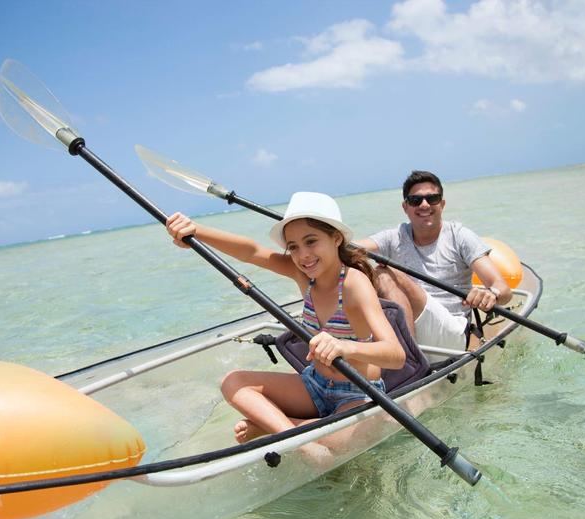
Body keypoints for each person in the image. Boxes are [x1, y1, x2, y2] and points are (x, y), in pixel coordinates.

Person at [165, 192, 405, 461]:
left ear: (336, 238)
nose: (303, 255)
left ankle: (274, 428)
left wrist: (344, 347)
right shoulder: (303, 274)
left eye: (311, 241)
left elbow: (395, 355)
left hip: (357, 392)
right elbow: (251, 252)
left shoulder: (353, 283)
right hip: (314, 383)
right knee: (232, 382)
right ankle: (303, 444)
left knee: (342, 443)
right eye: (293, 247)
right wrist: (196, 232)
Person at [356, 170, 511, 356]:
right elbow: (353, 248)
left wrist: (491, 294)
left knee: (384, 273)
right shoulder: (394, 236)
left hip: (451, 333)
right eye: (416, 200)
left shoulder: (459, 236)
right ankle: (394, 350)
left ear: (442, 204)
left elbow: (503, 289)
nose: (424, 205)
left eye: (432, 199)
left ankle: (407, 359)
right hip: (412, 327)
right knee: (366, 273)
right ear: (405, 207)